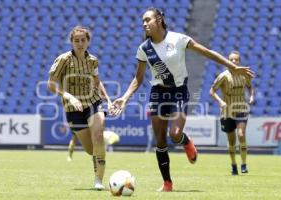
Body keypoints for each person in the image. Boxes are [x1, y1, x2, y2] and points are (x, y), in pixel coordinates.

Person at [111, 7, 254, 192]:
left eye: (148, 20)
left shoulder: (178, 39)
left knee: (175, 134)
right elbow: (138, 78)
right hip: (158, 93)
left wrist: (232, 67)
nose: (144, 23)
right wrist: (124, 98)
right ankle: (167, 183)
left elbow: (207, 52)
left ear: (159, 19)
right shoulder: (144, 49)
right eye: (143, 21)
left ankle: (186, 142)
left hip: (179, 91)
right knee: (160, 140)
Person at [47, 25, 112, 190]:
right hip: (72, 110)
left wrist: (109, 100)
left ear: (88, 41)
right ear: (71, 41)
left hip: (93, 102)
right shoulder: (63, 59)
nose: (80, 43)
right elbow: (51, 84)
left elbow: (97, 83)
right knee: (91, 150)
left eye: (83, 40)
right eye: (76, 40)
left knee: (97, 136)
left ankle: (98, 180)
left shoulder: (93, 60)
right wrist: (68, 96)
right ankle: (97, 153)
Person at [209, 51, 254, 175]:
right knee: (232, 141)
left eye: (236, 60)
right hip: (227, 111)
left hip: (241, 108)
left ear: (239, 61)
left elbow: (250, 86)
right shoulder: (223, 76)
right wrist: (220, 101)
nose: (234, 61)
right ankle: (233, 164)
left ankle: (244, 164)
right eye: (231, 59)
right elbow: (212, 91)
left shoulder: (244, 74)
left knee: (241, 134)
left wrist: (251, 96)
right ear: (228, 61)